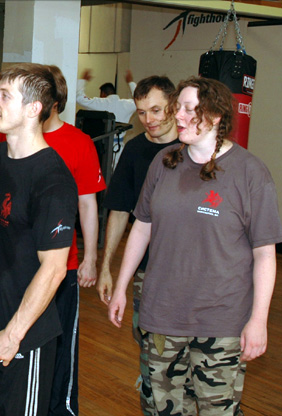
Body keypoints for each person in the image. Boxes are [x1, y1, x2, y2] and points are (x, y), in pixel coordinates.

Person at [107, 77, 282, 415]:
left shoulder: (251, 173)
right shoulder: (164, 162)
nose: (180, 116)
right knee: (160, 408)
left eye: (190, 109)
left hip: (221, 321)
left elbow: (265, 255)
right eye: (179, 109)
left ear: (216, 115)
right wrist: (121, 286)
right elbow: (142, 227)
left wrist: (258, 320)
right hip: (161, 315)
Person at [0, 63, 78, 416]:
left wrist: (13, 334)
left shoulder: (54, 179)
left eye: (4, 95)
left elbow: (54, 269)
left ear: (34, 109)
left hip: (22, 336)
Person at [96, 75, 179, 415]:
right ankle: (152, 381)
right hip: (148, 268)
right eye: (142, 112)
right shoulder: (134, 150)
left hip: (192, 271)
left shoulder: (194, 149)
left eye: (157, 110)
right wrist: (106, 268)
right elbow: (119, 211)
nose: (150, 119)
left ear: (174, 105)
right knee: (146, 339)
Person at [43, 65, 105, 416]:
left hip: (63, 268)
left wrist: (91, 259)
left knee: (61, 346)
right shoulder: (10, 139)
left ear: (53, 101)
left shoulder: (79, 143)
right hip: (17, 267)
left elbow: (88, 204)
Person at [76, 69, 137, 167]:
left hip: (101, 147)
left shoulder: (100, 103)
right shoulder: (127, 104)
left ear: (103, 93)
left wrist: (83, 80)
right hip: (118, 146)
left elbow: (79, 98)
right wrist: (131, 82)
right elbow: (140, 99)